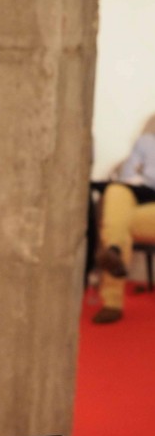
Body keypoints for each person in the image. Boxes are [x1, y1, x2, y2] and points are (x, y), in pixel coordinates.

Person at [93, 132, 155, 323]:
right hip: (140, 200)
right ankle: (114, 251)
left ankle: (113, 249)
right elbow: (127, 174)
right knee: (116, 191)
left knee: (118, 224)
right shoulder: (146, 142)